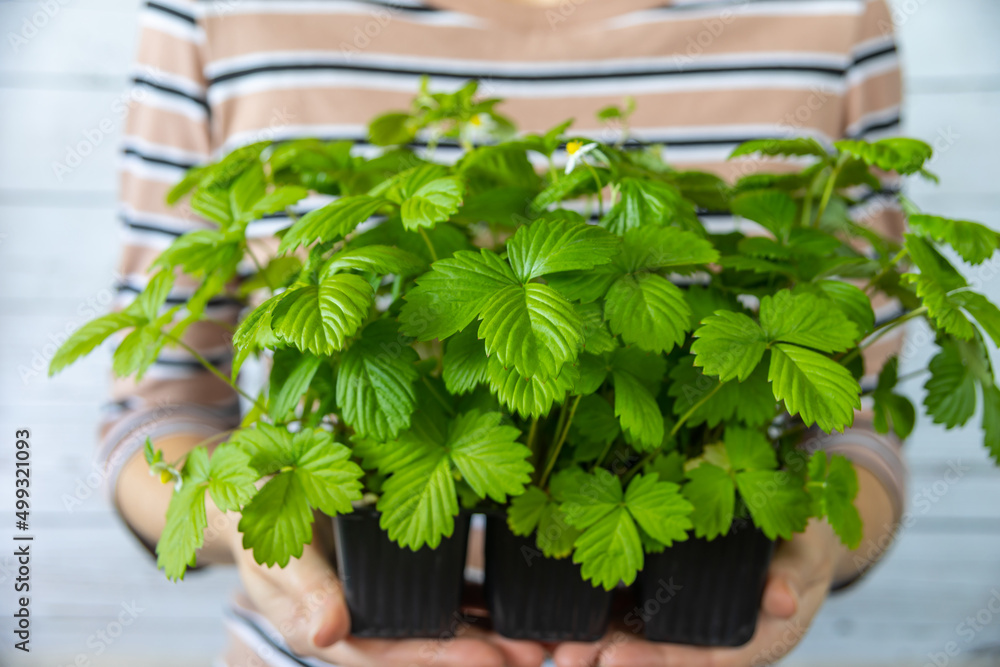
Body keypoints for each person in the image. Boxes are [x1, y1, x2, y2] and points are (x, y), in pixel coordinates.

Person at [105, 0, 908, 665]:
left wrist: (811, 559)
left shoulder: (837, 13)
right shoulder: (210, 12)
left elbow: (853, 418)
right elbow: (156, 410)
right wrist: (243, 530)